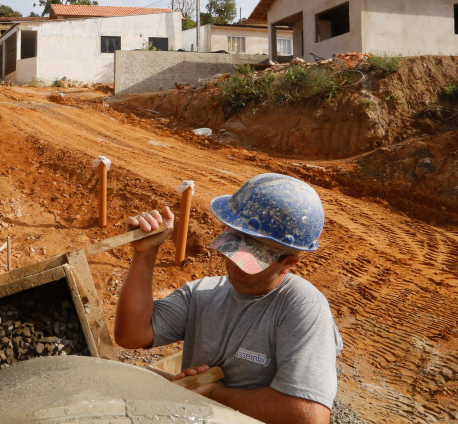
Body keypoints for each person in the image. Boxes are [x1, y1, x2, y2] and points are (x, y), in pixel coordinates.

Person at [114, 173, 342, 424]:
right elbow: (132, 335)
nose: (234, 261)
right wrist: (145, 255)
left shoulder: (302, 307)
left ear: (287, 262)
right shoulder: (203, 294)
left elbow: (308, 417)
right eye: (233, 244)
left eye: (251, 256)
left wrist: (215, 394)